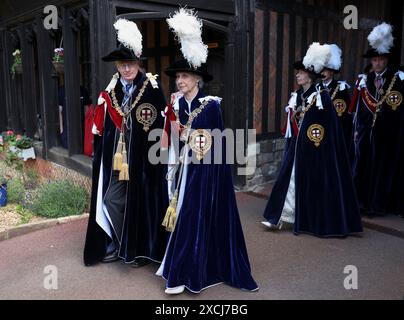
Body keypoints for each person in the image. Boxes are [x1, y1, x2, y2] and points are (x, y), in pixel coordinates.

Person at [156, 8, 259, 295]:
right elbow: (175, 140)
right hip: (181, 172)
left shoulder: (211, 105)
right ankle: (183, 270)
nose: (180, 81)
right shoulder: (177, 105)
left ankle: (184, 275)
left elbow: (214, 146)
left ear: (198, 79)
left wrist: (203, 176)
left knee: (192, 219)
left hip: (204, 173)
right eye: (178, 76)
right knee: (184, 221)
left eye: (186, 76)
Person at [83, 18, 169, 267]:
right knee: (112, 200)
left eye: (130, 63)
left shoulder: (151, 87)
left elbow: (160, 125)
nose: (127, 69)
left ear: (138, 62)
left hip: (144, 161)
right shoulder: (111, 91)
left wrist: (159, 158)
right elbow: (106, 128)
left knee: (143, 203)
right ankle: (123, 243)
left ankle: (140, 250)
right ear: (118, 66)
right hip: (119, 162)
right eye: (122, 64)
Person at [261, 42, 363, 237]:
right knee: (288, 180)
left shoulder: (322, 97)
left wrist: (317, 148)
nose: (297, 75)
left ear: (310, 74)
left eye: (300, 72)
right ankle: (280, 217)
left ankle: (311, 221)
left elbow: (327, 129)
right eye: (297, 72)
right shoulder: (298, 96)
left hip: (317, 151)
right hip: (297, 149)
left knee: (312, 185)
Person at [351, 22, 404, 217]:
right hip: (366, 132)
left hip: (387, 134)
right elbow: (359, 109)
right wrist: (357, 130)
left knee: (382, 169)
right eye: (374, 60)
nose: (377, 64)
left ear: (386, 60)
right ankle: (361, 203)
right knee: (363, 166)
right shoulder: (365, 80)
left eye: (380, 60)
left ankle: (378, 205)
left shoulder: (397, 80)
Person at [320, 44, 352, 152]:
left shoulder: (341, 88)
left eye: (325, 70)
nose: (322, 73)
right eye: (321, 70)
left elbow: (345, 114)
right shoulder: (316, 88)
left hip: (336, 132)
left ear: (332, 71)